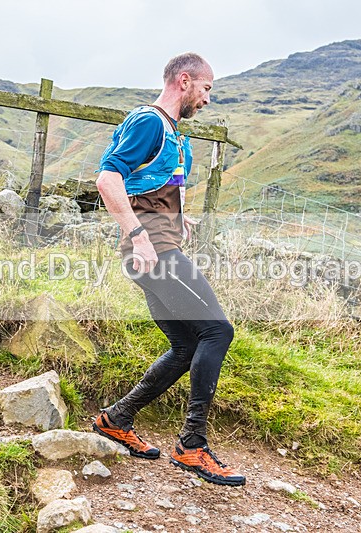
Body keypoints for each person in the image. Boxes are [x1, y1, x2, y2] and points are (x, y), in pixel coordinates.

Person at [92, 52, 245, 487]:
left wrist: (180, 219)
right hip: (153, 252)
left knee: (184, 345)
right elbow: (108, 179)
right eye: (207, 88)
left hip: (159, 245)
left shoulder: (174, 133)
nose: (208, 99)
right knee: (217, 331)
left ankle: (116, 418)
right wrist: (140, 235)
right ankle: (192, 446)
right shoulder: (151, 123)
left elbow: (147, 185)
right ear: (185, 81)